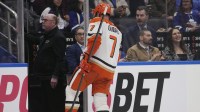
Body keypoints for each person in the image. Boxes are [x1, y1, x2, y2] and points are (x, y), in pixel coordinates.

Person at [65, 3, 122, 112]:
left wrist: (85, 58)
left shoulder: (96, 21)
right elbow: (118, 54)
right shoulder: (118, 31)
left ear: (97, 12)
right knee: (100, 100)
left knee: (71, 92)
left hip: (93, 66)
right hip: (109, 71)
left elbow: (94, 40)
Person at [31, 13, 66, 112]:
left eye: (45, 20)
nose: (43, 22)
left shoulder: (58, 37)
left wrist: (55, 76)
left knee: (54, 105)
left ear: (53, 22)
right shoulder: (46, 35)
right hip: (44, 77)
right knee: (45, 105)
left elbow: (60, 59)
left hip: (52, 79)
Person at [65, 26, 85, 112]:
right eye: (79, 34)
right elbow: (72, 67)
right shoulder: (71, 48)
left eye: (84, 34)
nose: (82, 36)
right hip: (78, 81)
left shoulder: (91, 48)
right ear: (75, 36)